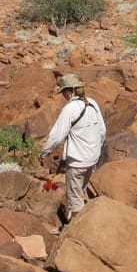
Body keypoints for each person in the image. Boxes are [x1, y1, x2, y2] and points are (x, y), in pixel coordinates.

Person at [39, 73, 107, 219]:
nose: (63, 95)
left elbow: (57, 136)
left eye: (63, 92)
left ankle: (78, 230)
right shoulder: (93, 104)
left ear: (69, 91)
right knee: (80, 192)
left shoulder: (70, 108)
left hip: (77, 162)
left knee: (74, 200)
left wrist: (44, 152)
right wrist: (96, 149)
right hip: (92, 160)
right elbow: (102, 131)